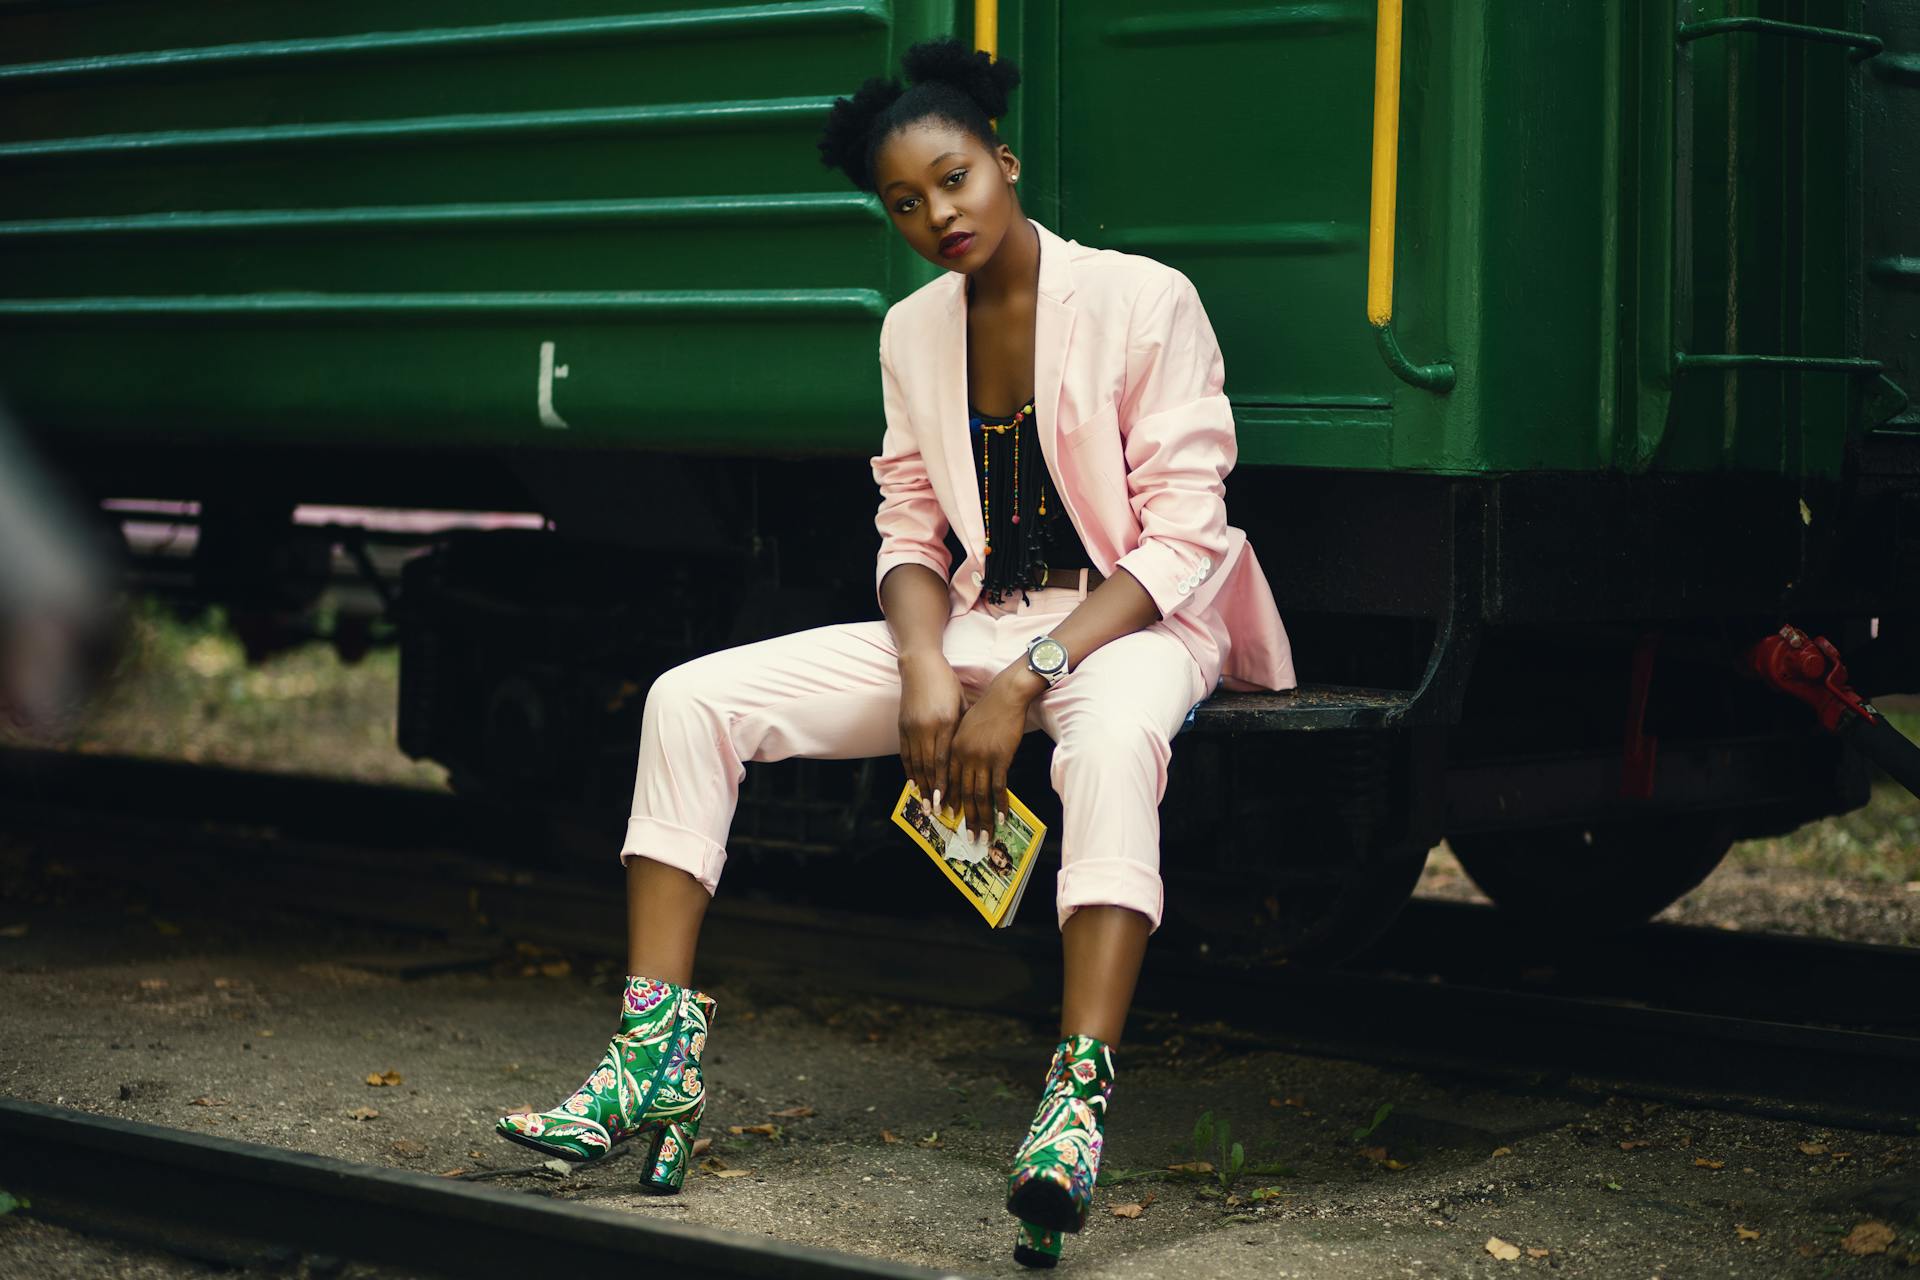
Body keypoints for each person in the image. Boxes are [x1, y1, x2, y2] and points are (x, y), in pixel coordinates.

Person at [494, 35, 1296, 1269]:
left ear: (1005, 161)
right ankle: (649, 1061)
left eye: (956, 180)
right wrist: (931, 666)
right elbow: (910, 525)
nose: (939, 215)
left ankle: (1072, 1106)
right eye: (907, 202)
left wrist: (1031, 677)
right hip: (976, 619)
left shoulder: (1144, 299)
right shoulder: (913, 331)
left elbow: (1189, 532)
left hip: (1132, 623)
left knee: (1116, 743)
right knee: (690, 699)